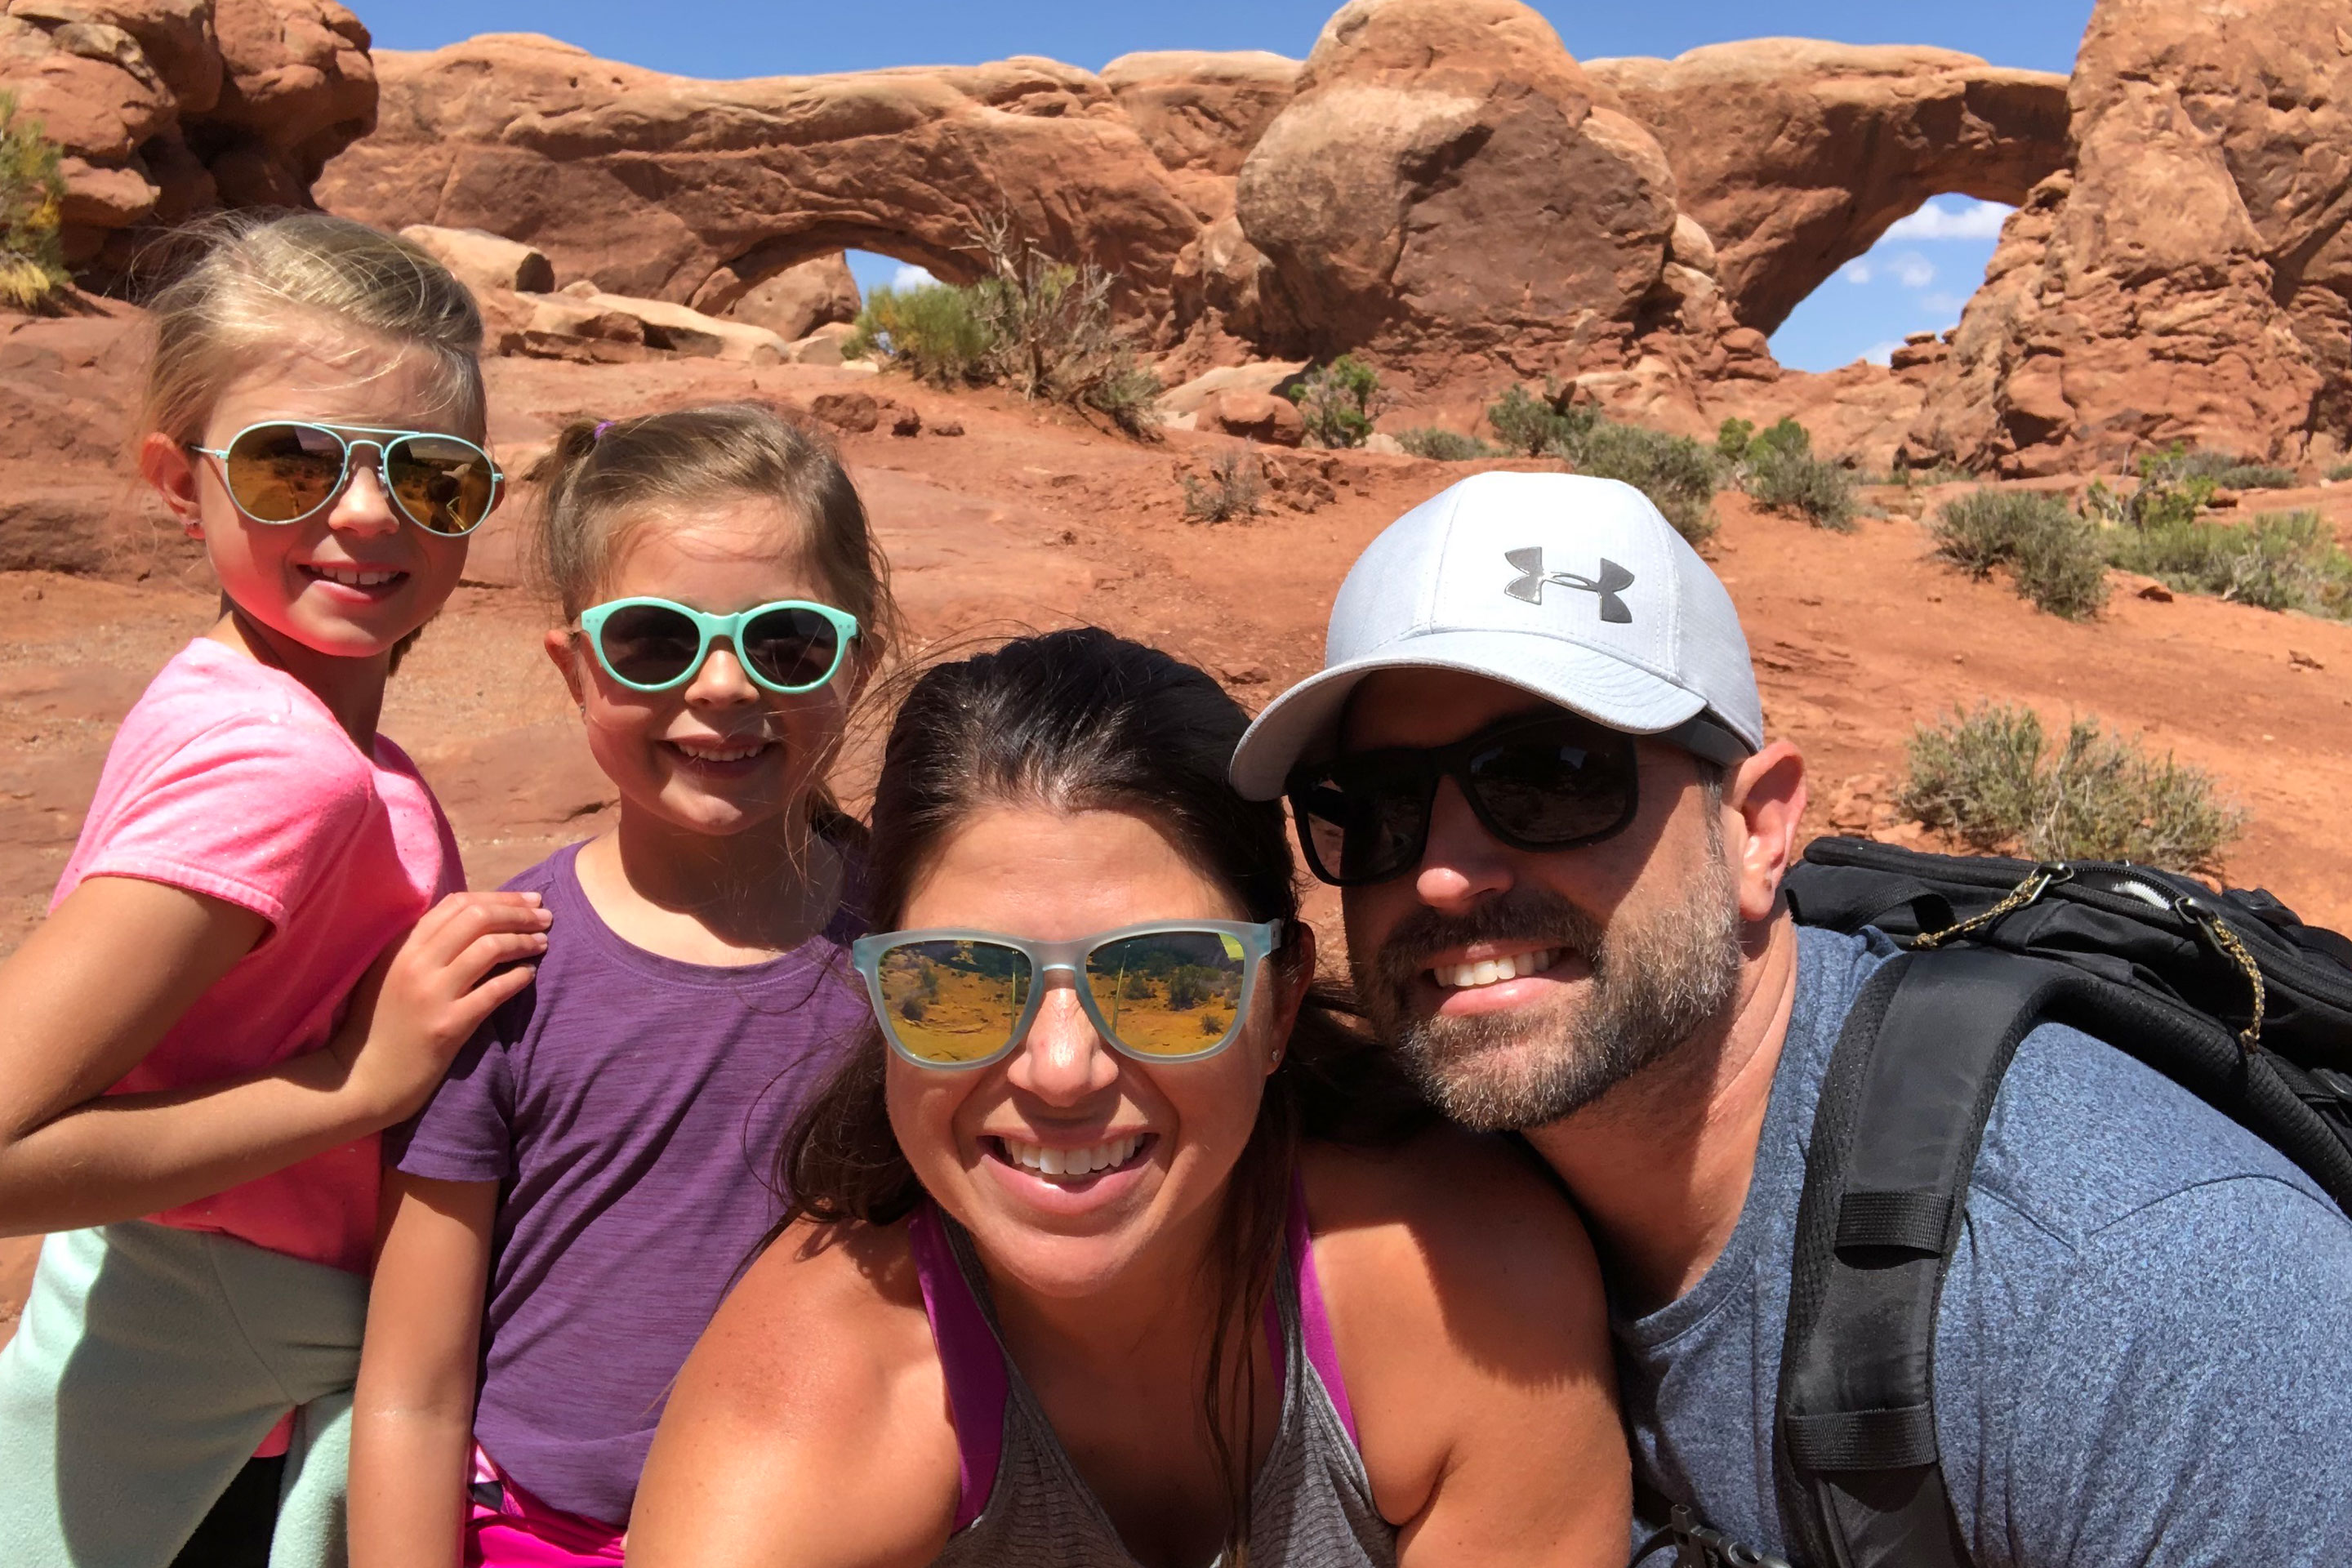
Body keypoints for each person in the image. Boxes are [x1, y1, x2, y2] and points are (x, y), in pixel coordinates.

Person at [1226, 470, 2352, 1565]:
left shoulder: (2122, 1297)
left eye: (1551, 778)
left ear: (1760, 828)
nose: (1441, 875)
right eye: (1375, 810)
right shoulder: (1415, 1183)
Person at [627, 627, 1632, 1568]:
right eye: (964, 981)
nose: (1061, 1071)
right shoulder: (802, 1413)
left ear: (1278, 1008)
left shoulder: (1462, 1293)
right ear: (883, 1001)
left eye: (1167, 979)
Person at [0, 212, 549, 1568]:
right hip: (208, 1380)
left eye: (431, 475)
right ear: (180, 484)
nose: (366, 513)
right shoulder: (285, 767)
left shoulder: (254, 708)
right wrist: (357, 1088)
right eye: (292, 463)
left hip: (203, 1374)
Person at [347, 404, 894, 1567]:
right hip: (540, 1537)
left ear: (862, 659)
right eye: (656, 641)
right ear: (575, 667)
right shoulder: (504, 972)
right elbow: (411, 1391)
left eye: (788, 642)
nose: (724, 688)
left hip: (842, 1532)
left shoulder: (918, 948)